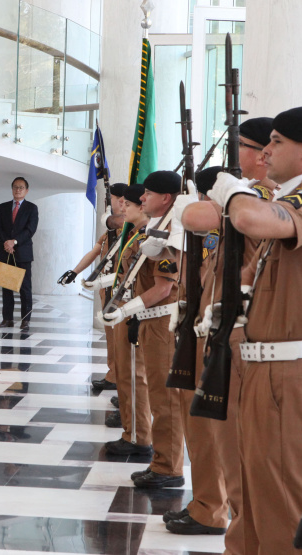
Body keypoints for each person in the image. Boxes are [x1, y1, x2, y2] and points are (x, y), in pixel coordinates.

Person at [205, 106, 302, 554]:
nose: (266, 152)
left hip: (293, 373)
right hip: (262, 367)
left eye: (276, 142)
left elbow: (250, 220)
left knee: (284, 504)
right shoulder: (286, 199)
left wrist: (233, 192)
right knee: (253, 496)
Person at [169, 116, 277, 551]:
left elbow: (195, 216)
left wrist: (204, 196)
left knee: (232, 445)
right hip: (209, 328)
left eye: (246, 147)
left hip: (240, 337)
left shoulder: (259, 200)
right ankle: (208, 505)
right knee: (204, 428)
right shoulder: (241, 200)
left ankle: (228, 520)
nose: (247, 155)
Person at [103, 172, 186, 489]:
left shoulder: (170, 233)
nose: (141, 200)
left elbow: (164, 288)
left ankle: (168, 467)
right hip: (150, 318)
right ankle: (162, 463)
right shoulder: (155, 230)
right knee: (156, 392)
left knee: (165, 399)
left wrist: (126, 309)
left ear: (165, 198)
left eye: (148, 194)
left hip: (162, 319)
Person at [92, 184, 153, 459]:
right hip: (126, 309)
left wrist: (129, 307)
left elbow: (160, 284)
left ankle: (140, 436)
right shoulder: (135, 234)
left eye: (128, 204)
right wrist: (103, 283)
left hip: (140, 314)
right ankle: (131, 432)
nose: (123, 209)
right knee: (126, 377)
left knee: (135, 377)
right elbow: (124, 273)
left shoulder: (151, 235)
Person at [59, 183, 129, 394]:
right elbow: (96, 251)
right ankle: (112, 375)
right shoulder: (110, 232)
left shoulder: (131, 230)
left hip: (123, 293)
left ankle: (125, 382)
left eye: (116, 200)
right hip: (105, 290)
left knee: (122, 340)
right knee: (111, 337)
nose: (113, 204)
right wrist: (75, 271)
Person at [0, 177, 39, 331]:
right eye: (15, 187)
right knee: (6, 287)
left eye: (21, 187)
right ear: (12, 189)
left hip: (23, 253)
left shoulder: (32, 208)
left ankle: (25, 320)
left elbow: (30, 229)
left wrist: (15, 241)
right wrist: (6, 242)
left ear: (27, 190)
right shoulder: (3, 207)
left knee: (25, 288)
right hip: (6, 252)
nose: (18, 190)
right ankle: (7, 319)